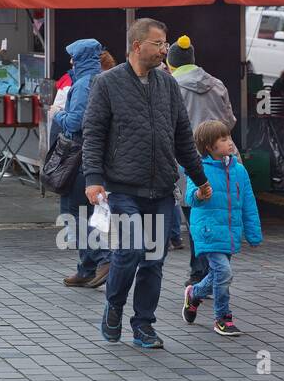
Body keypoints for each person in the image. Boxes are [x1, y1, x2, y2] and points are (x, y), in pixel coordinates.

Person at [81, 18, 212, 351]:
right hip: (122, 188)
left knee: (154, 261)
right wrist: (93, 179)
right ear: (138, 45)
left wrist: (200, 180)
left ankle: (143, 326)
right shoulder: (106, 83)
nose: (164, 50)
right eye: (159, 44)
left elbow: (183, 136)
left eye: (165, 44)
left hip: (161, 189)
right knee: (130, 250)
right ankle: (114, 306)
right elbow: (93, 134)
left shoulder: (168, 85)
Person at [181, 120, 263, 337]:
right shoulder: (198, 169)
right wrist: (199, 194)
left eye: (229, 138)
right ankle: (223, 318)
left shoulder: (239, 171)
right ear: (209, 146)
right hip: (207, 231)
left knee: (219, 274)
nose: (230, 143)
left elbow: (248, 202)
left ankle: (194, 294)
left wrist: (253, 233)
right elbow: (190, 198)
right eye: (223, 139)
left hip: (229, 232)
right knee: (224, 272)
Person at [166, 34, 236, 260]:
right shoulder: (217, 84)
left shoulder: (170, 87)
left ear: (171, 64)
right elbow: (229, 121)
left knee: (195, 217)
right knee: (217, 216)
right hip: (221, 160)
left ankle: (200, 273)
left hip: (188, 162)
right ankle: (215, 270)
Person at [52, 39, 110, 290]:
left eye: (74, 57)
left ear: (81, 59)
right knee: (87, 212)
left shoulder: (85, 83)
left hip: (79, 155)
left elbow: (75, 122)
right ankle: (86, 269)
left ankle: (102, 258)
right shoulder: (105, 79)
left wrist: (57, 113)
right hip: (98, 155)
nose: (71, 62)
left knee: (72, 213)